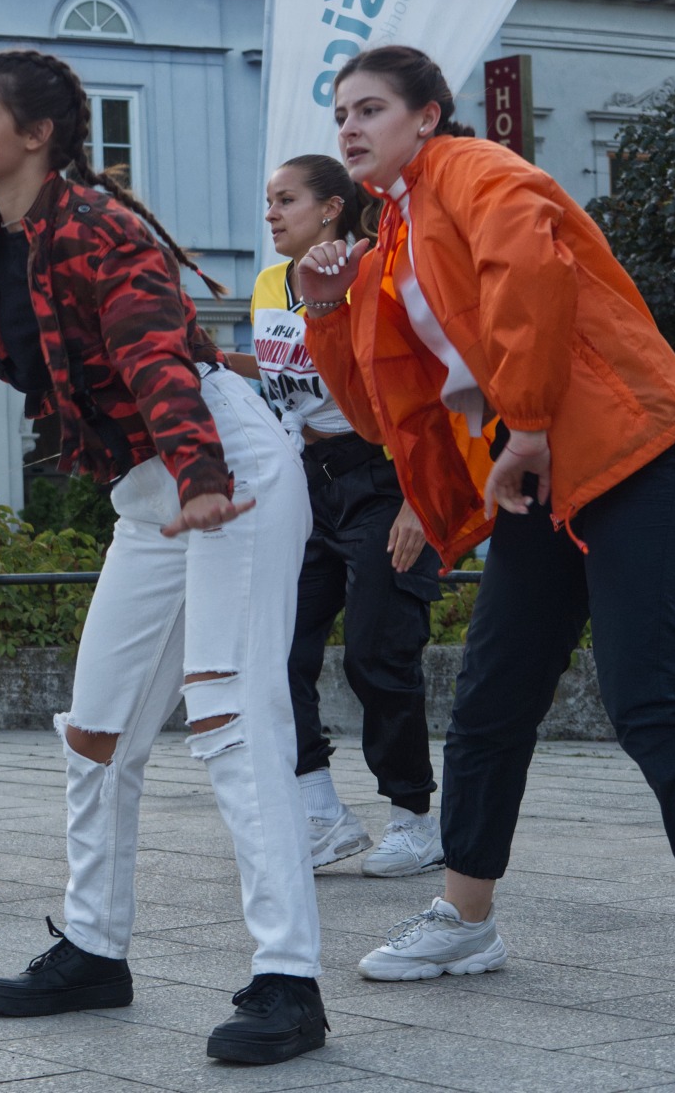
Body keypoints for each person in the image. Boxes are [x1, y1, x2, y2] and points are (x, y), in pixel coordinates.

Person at [301, 44, 675, 1039]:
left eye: (369, 109)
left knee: (651, 698)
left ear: (427, 114)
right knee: (491, 697)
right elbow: (380, 413)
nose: (350, 129)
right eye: (341, 115)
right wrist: (328, 309)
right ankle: (466, 917)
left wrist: (529, 421)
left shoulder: (475, 168)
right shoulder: (391, 236)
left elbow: (530, 271)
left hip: (639, 454)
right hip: (540, 474)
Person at [0, 49, 325, 1065]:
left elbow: (155, 351)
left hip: (223, 473)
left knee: (234, 720)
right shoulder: (11, 235)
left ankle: (290, 979)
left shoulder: (104, 229)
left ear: (37, 134)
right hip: (150, 498)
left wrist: (200, 478)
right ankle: (95, 947)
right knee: (95, 730)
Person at [222, 155, 443, 876]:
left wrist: (417, 500)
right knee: (277, 650)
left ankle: (414, 818)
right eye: (269, 200)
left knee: (378, 652)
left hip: (382, 476)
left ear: (331, 209)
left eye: (286, 200)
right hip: (304, 481)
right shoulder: (268, 284)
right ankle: (321, 811)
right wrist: (215, 357)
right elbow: (287, 369)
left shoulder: (373, 273)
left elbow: (419, 384)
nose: (271, 213)